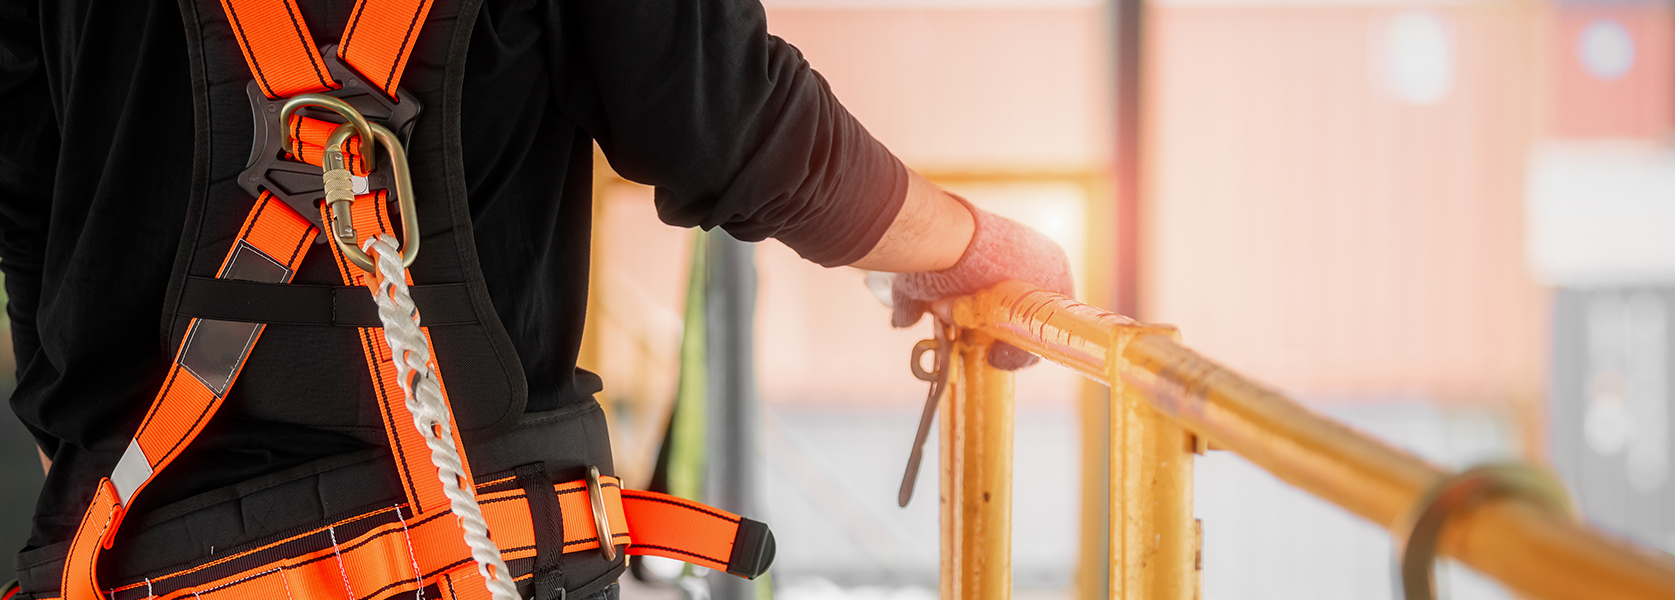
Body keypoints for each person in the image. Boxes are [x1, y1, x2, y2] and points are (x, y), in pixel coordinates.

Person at [0, 0, 1072, 598]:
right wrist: (965, 246)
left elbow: (23, 188)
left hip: (135, 554)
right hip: (464, 558)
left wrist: (89, 462)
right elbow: (724, 122)